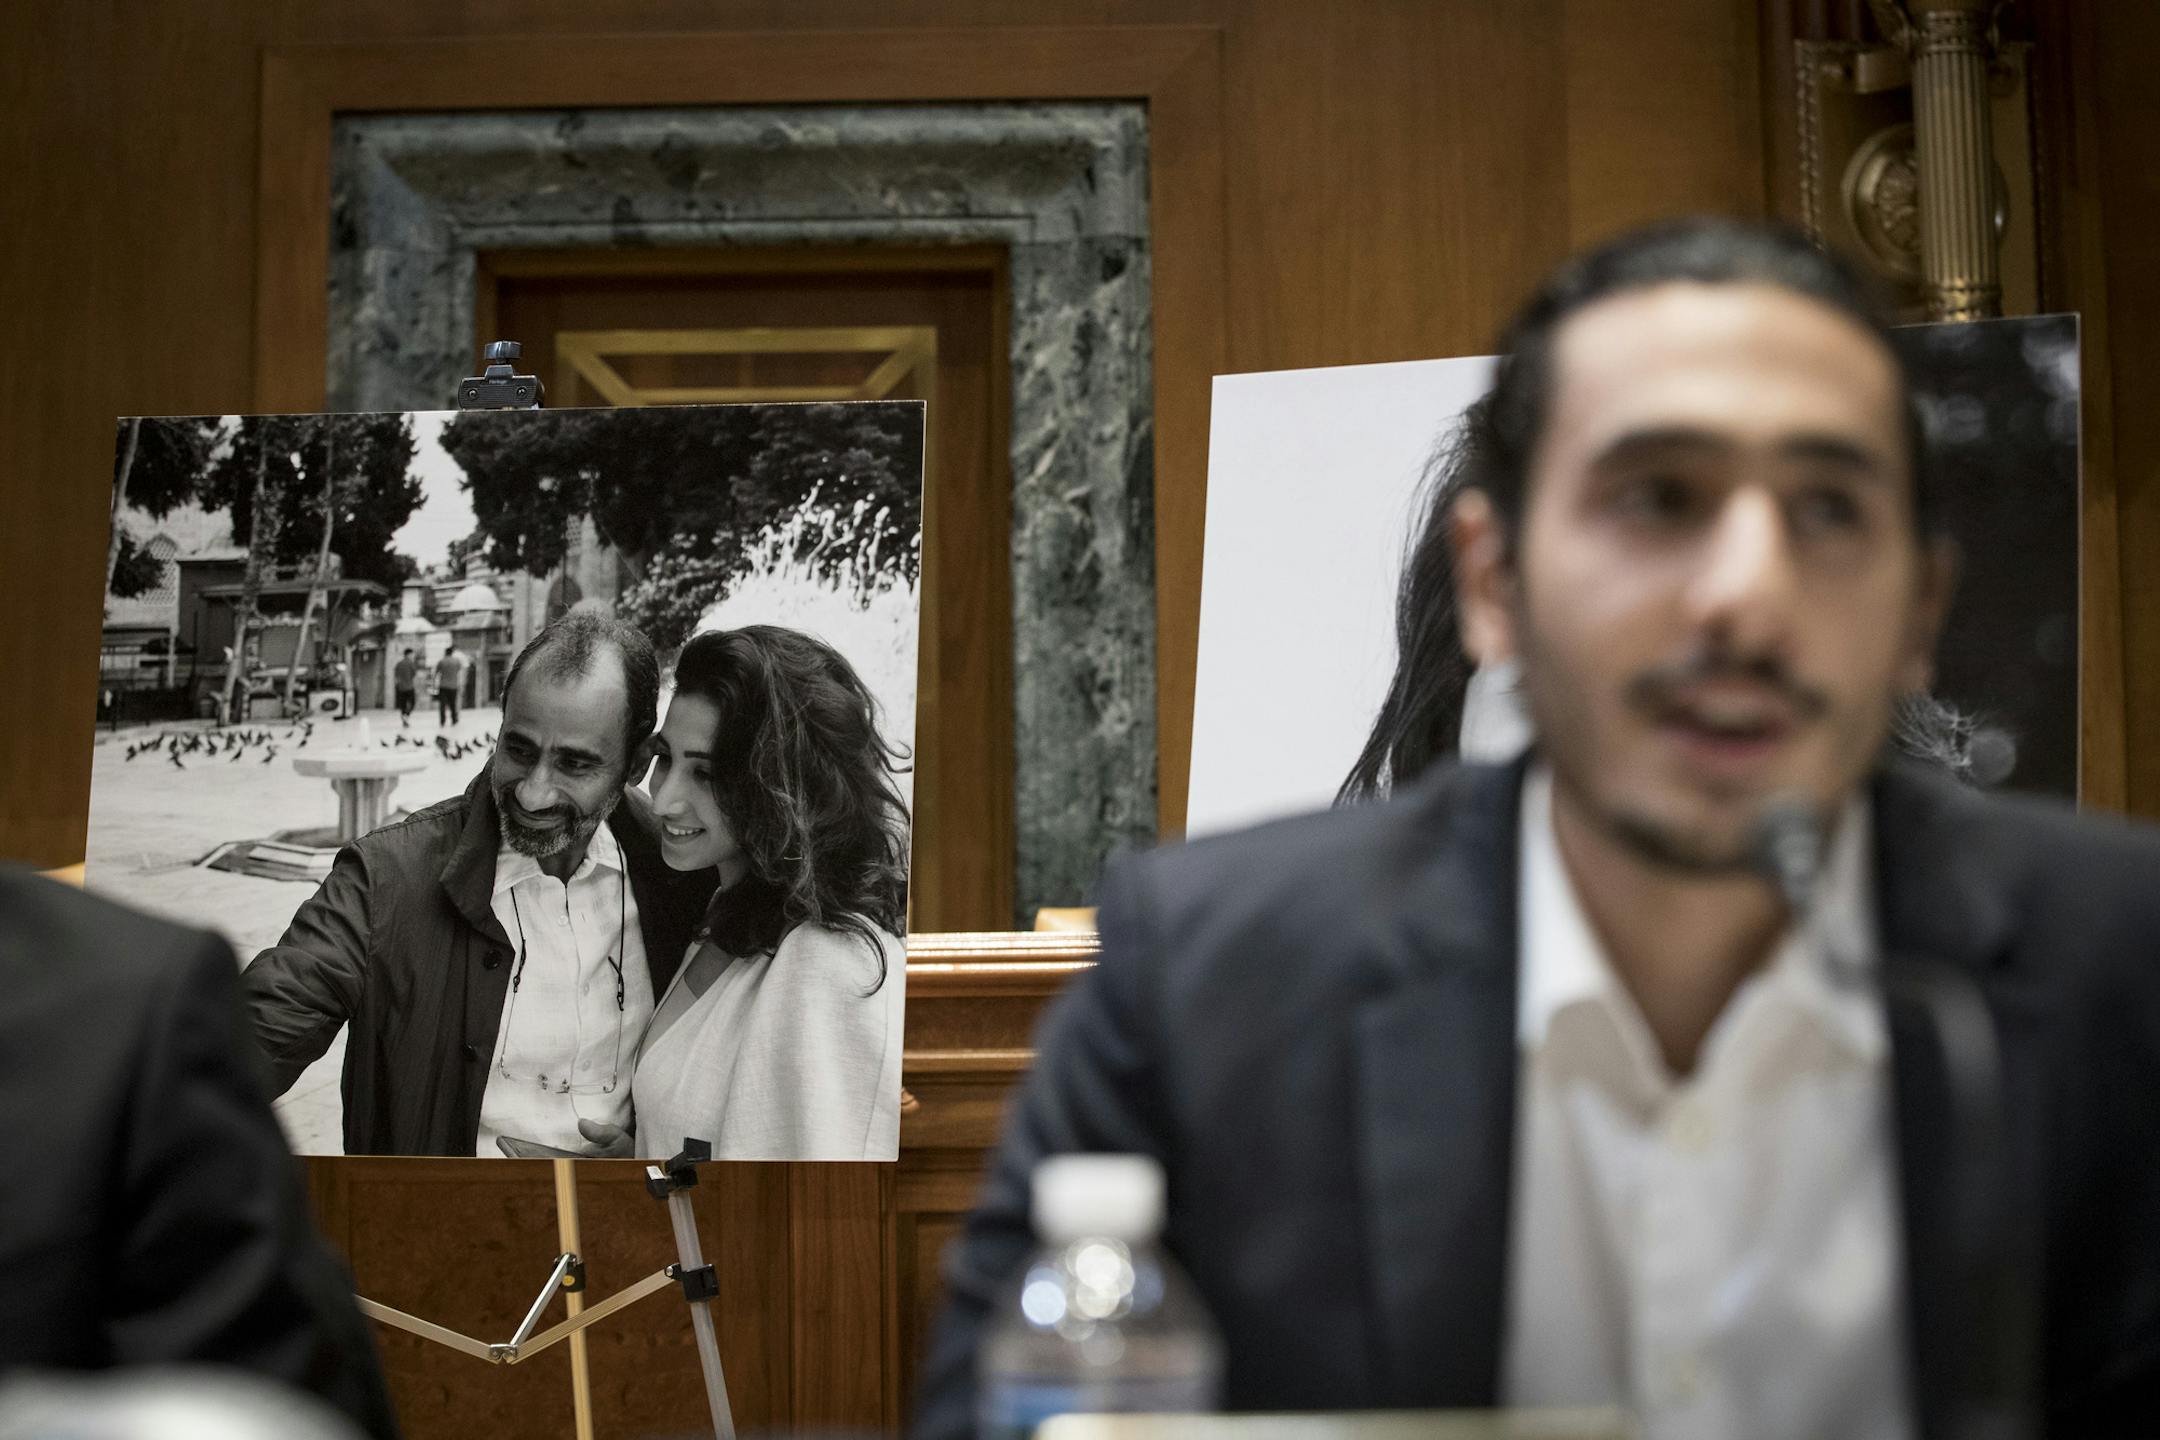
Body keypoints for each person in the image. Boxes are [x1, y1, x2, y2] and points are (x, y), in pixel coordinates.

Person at [916, 219, 2160, 1439]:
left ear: (1920, 607)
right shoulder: (1207, 983)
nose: (1745, 595)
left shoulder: (2121, 966)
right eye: (1658, 499)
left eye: (1829, 510)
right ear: (1494, 584)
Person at [241, 611, 716, 1156]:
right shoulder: (388, 876)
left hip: (619, 1227)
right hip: (442, 1228)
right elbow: (272, 1015)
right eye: (518, 750)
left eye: (574, 764)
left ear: (634, 764)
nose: (535, 793)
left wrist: (644, 1157)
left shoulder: (679, 873)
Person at [0, 867, 400, 1439]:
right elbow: (301, 986)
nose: (535, 792)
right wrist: (226, 1060)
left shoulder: (112, 989)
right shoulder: (117, 996)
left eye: (576, 767)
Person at [504, 625, 910, 1162]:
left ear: (782, 783)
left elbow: (828, 1214)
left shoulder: (832, 961)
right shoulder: (727, 905)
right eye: (666, 759)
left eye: (707, 775)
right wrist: (642, 1163)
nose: (663, 798)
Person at [433, 645, 465, 727]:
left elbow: (436, 674)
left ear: (445, 653)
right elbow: (460, 673)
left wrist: (434, 685)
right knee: (453, 704)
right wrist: (460, 685)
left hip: (443, 686)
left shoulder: (441, 661)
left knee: (442, 704)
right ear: (452, 653)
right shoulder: (456, 661)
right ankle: (454, 720)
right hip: (453, 686)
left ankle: (442, 721)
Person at [392, 648, 418, 724]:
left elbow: (396, 675)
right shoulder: (411, 663)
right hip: (409, 687)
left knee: (403, 703)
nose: (412, 656)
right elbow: (414, 674)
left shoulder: (399, 664)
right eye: (412, 654)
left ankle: (403, 715)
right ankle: (407, 715)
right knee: (412, 702)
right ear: (408, 654)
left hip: (401, 687)